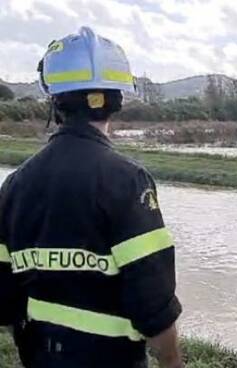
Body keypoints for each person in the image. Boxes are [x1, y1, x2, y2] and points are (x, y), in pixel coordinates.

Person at [0, 27, 184, 368]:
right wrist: (172, 363)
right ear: (116, 100)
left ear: (55, 102)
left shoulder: (14, 185)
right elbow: (154, 303)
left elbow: (4, 295)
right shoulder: (128, 181)